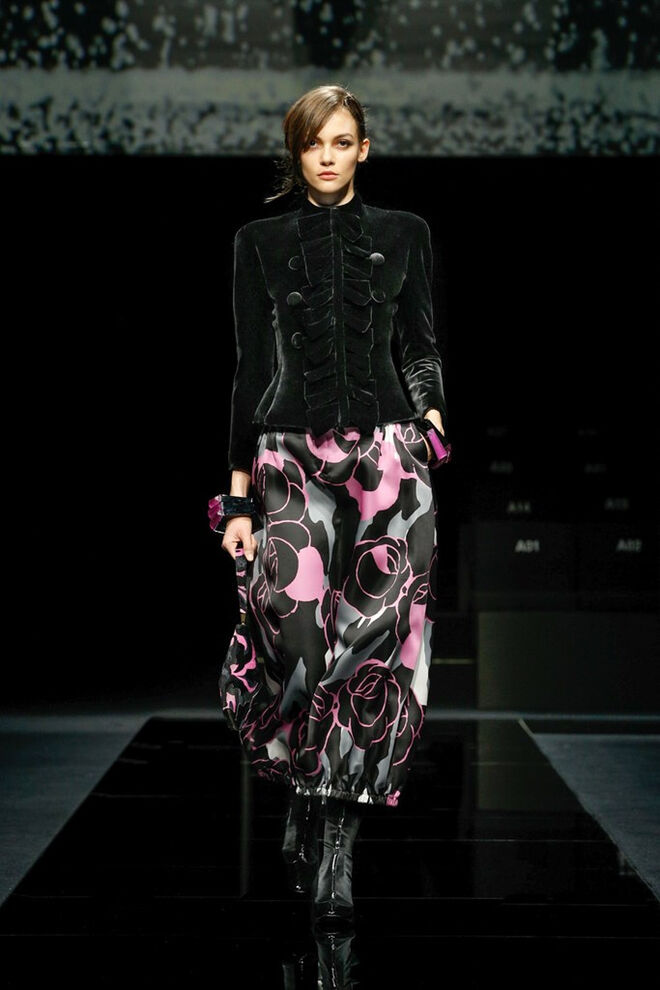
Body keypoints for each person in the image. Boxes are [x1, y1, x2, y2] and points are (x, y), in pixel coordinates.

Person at [212, 84, 451, 932]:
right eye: (314, 143)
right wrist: (237, 500)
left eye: (342, 141)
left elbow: (420, 345)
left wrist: (431, 418)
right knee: (296, 638)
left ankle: (336, 846)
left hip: (388, 460)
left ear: (363, 149)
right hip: (288, 458)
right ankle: (303, 787)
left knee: (371, 652)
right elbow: (249, 369)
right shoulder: (259, 242)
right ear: (298, 150)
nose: (327, 156)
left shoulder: (405, 233)